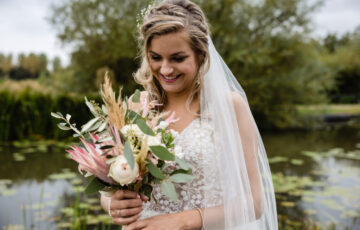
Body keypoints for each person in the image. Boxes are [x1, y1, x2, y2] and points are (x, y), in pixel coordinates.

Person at [100, 0, 278, 229]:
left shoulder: (230, 107)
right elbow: (110, 189)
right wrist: (112, 203)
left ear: (200, 55)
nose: (165, 69)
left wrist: (183, 221)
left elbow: (254, 203)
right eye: (156, 57)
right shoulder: (138, 108)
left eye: (178, 58)